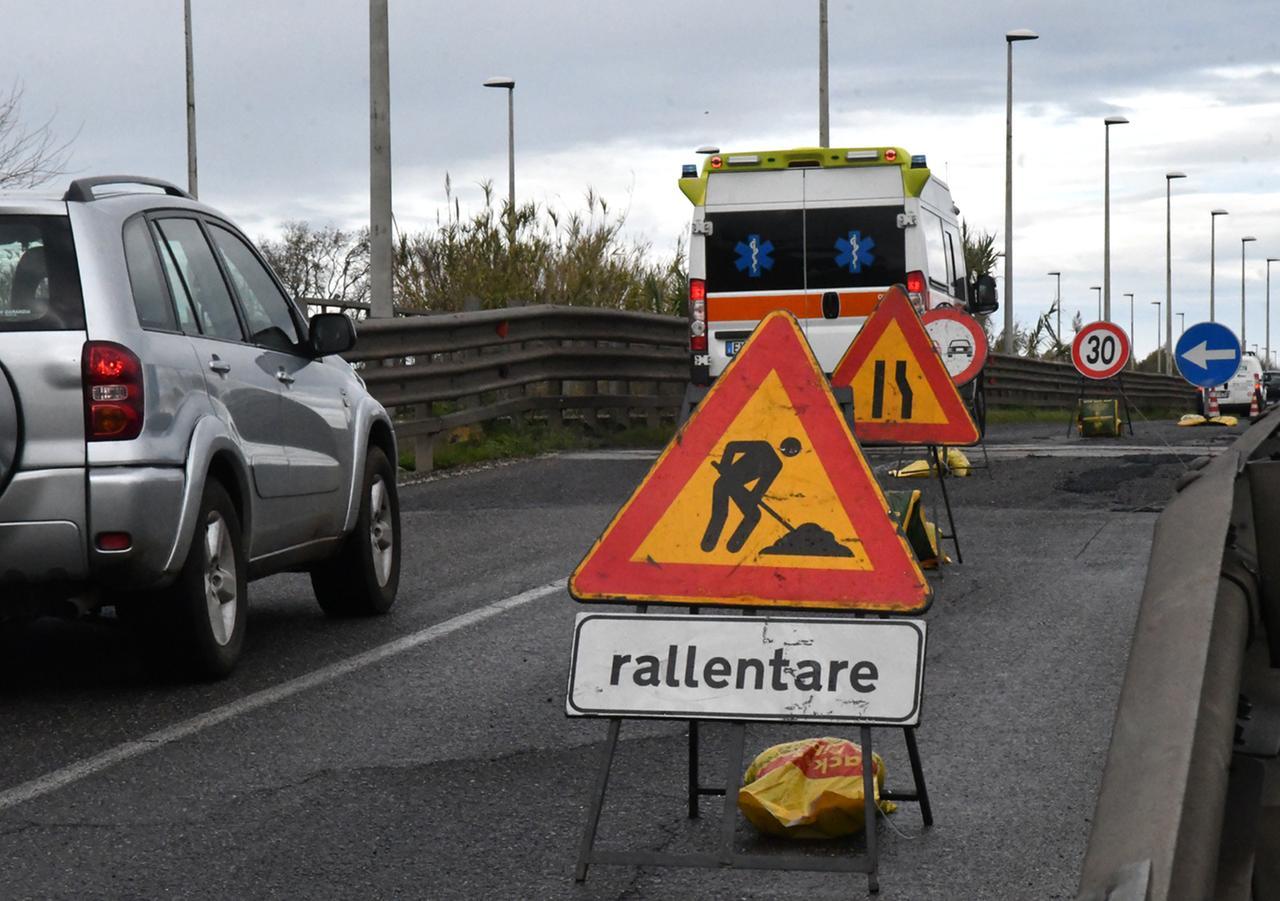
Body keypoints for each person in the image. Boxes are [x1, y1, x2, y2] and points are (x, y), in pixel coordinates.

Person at [700, 437, 800, 553]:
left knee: (753, 514)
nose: (787, 451)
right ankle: (709, 542)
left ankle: (734, 545)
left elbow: (760, 488)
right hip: (724, 482)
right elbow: (732, 446)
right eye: (787, 448)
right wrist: (725, 465)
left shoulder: (776, 465)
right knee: (721, 512)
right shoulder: (763, 447)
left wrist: (753, 498)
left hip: (734, 484)